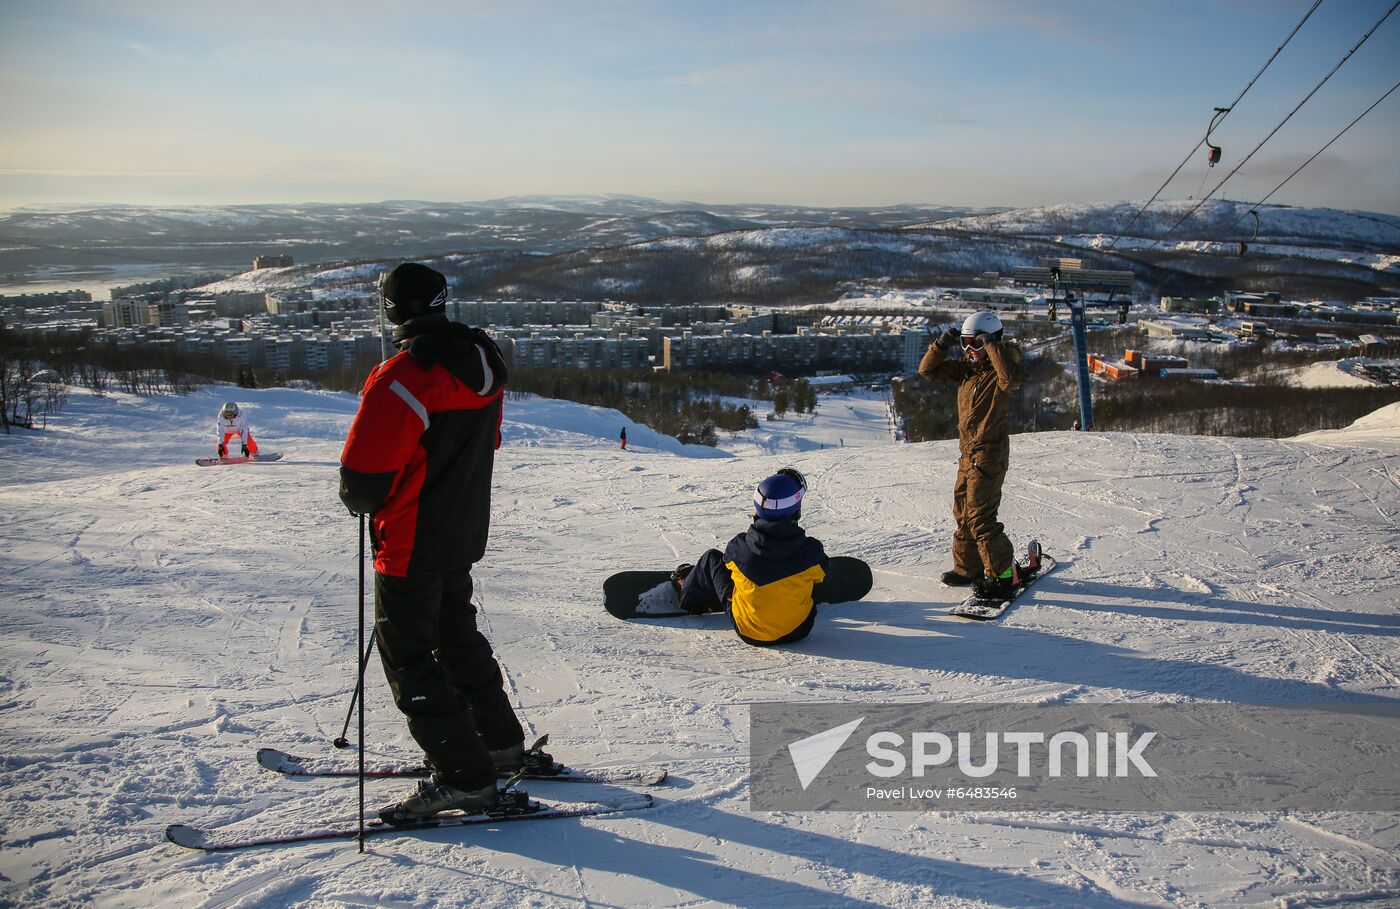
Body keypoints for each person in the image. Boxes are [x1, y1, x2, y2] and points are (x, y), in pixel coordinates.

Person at [338, 262, 535, 823]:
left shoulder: (402, 377)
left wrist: (361, 499)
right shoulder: (481, 361)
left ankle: (465, 776)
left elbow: (364, 477)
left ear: (392, 309)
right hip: (461, 526)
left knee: (408, 654)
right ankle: (497, 744)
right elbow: (488, 439)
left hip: (410, 537)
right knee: (455, 635)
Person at [918, 311, 1026, 601]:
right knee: (963, 513)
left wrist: (991, 347)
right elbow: (927, 371)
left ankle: (1003, 577)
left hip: (989, 454)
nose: (969, 350)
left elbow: (1010, 380)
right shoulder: (968, 370)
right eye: (965, 343)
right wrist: (942, 343)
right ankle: (968, 569)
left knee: (980, 517)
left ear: (993, 341)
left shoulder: (1000, 371)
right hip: (967, 454)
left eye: (975, 343)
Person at [666, 468, 829, 646]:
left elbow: (728, 564)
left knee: (711, 558)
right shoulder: (812, 551)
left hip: (750, 632)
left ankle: (689, 598)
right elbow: (824, 571)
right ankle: (789, 599)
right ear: (795, 510)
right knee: (814, 571)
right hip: (799, 630)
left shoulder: (739, 548)